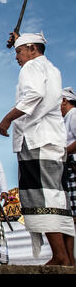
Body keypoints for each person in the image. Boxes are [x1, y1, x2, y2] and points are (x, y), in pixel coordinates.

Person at [0, 32, 75, 266]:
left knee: (42, 198)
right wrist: (20, 39)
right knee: (57, 198)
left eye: (19, 52)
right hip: (52, 141)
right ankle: (67, 258)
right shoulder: (52, 69)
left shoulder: (30, 68)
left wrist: (7, 119)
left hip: (36, 140)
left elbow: (34, 94)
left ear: (32, 49)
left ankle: (60, 257)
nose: (17, 58)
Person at [61, 87, 76, 261]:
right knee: (71, 217)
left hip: (73, 167)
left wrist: (62, 154)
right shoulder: (67, 119)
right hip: (70, 168)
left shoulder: (73, 115)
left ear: (64, 101)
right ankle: (70, 260)